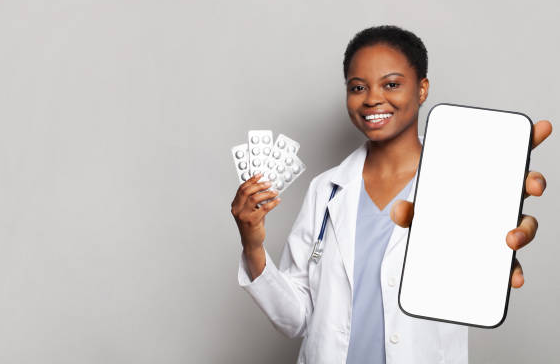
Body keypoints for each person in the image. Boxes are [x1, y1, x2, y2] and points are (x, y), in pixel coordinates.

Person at [230, 25, 552, 364]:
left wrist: (494, 246)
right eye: (358, 87)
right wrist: (252, 245)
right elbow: (295, 319)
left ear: (422, 89)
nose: (372, 98)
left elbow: (473, 287)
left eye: (392, 84)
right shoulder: (325, 190)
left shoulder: (463, 186)